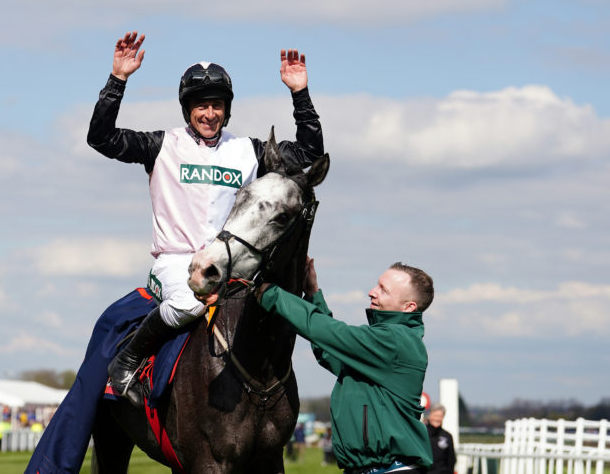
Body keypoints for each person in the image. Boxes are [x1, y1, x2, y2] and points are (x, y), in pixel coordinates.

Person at [87, 31, 324, 407]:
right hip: (178, 262)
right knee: (190, 305)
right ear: (188, 110)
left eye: (216, 105)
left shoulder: (248, 150)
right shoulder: (160, 144)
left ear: (226, 109)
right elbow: (100, 138)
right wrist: (118, 80)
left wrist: (300, 93)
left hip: (232, 262)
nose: (208, 113)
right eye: (200, 106)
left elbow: (310, 152)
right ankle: (128, 359)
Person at [256, 258, 435, 474]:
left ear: (408, 307)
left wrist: (268, 293)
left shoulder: (396, 341)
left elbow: (329, 332)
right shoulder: (380, 346)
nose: (372, 292)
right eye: (377, 284)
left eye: (384, 290)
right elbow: (329, 351)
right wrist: (313, 294)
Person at [425, 403, 456, 474]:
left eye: (440, 416)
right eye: (435, 415)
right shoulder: (422, 434)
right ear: (430, 415)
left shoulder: (447, 436)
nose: (437, 419)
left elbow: (451, 460)